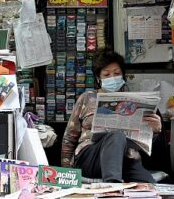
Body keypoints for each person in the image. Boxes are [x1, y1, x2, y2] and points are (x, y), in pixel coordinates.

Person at [61, 48, 167, 183]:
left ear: (123, 75)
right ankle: (113, 187)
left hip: (126, 158)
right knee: (116, 135)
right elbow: (69, 138)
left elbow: (145, 144)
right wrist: (66, 172)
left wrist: (156, 131)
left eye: (117, 73)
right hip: (91, 158)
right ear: (98, 78)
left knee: (149, 186)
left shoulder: (136, 101)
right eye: (106, 74)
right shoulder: (87, 98)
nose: (112, 78)